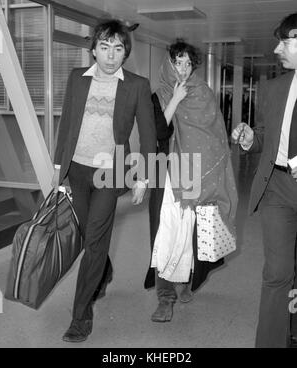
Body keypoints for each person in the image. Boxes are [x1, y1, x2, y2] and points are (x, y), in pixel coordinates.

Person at [52, 19, 156, 343]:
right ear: (93, 49)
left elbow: (149, 134)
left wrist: (144, 177)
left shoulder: (137, 85)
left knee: (95, 242)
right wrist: (59, 173)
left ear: (126, 52)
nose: (111, 56)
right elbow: (67, 123)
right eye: (104, 47)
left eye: (118, 48)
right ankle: (105, 271)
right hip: (77, 171)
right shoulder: (76, 79)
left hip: (110, 173)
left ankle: (80, 316)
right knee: (89, 237)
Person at [144, 39, 238, 322]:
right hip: (167, 174)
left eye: (188, 64)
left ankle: (183, 282)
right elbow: (159, 132)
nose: (183, 70)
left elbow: (215, 136)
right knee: (166, 235)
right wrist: (174, 99)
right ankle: (165, 298)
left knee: (189, 235)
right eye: (178, 62)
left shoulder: (204, 93)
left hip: (196, 175)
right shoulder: (158, 95)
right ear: (169, 63)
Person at [232, 12, 297, 348]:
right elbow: (265, 137)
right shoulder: (274, 88)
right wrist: (248, 139)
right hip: (277, 187)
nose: (276, 49)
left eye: (284, 41)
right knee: (277, 273)